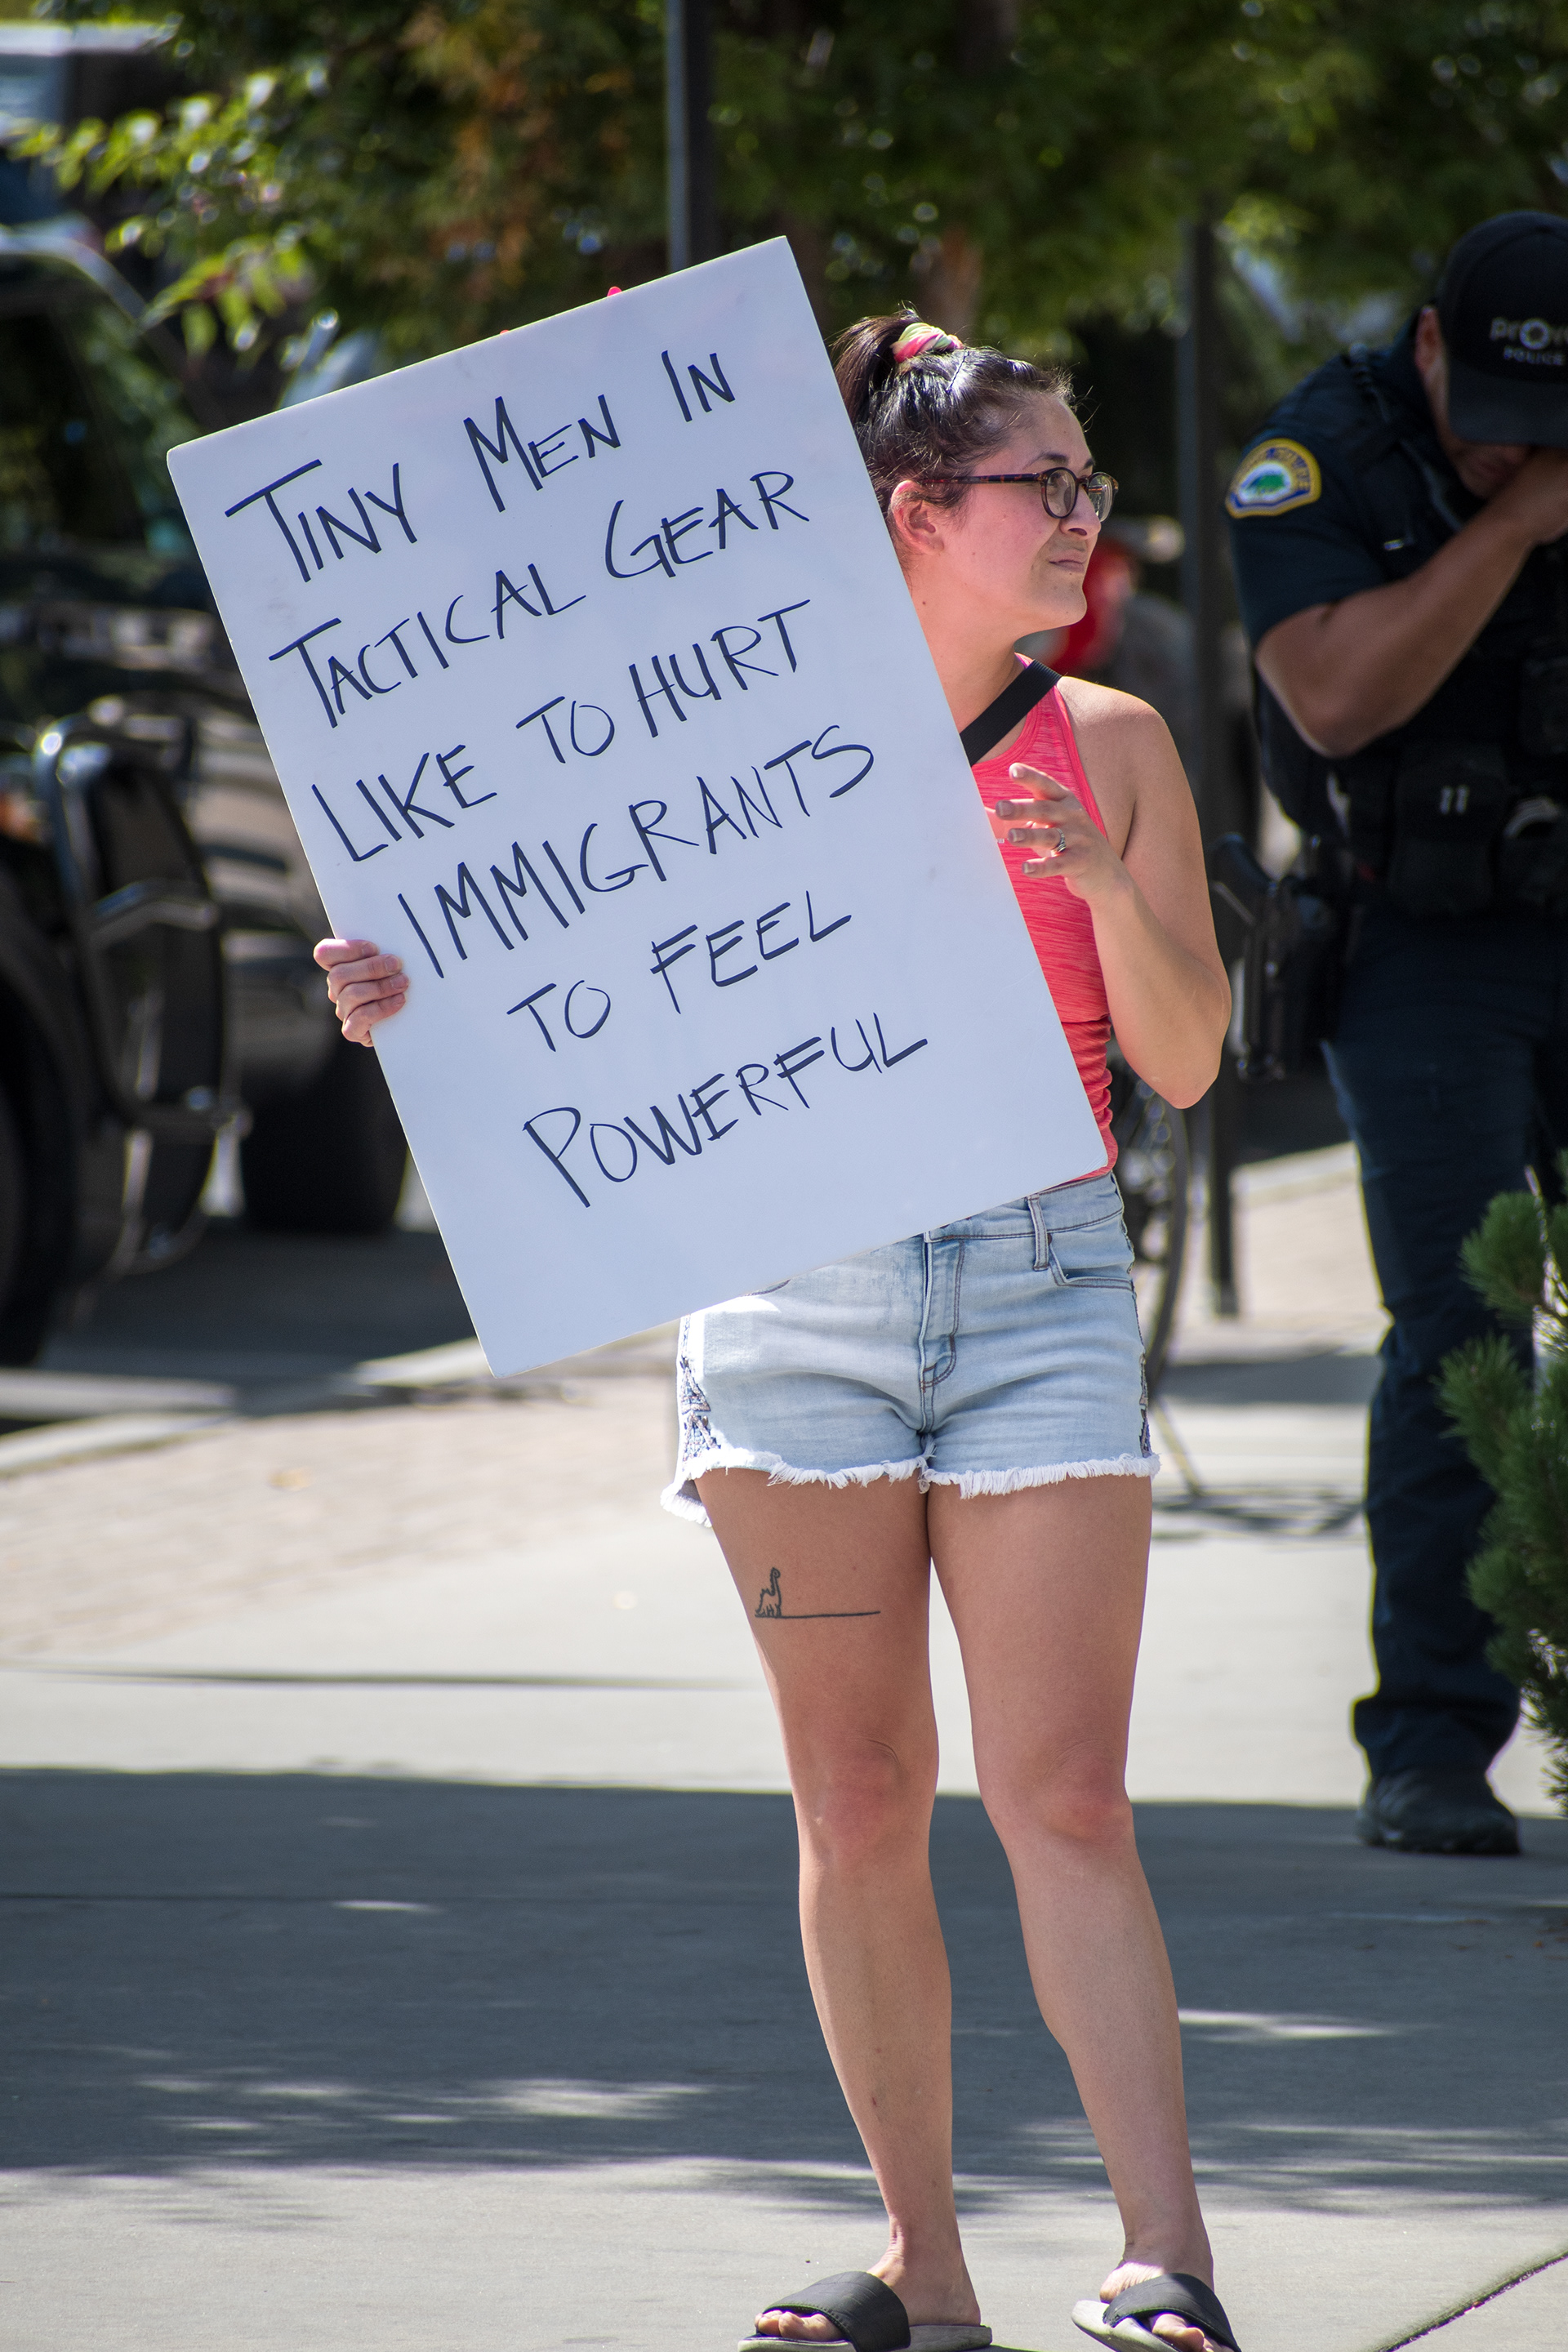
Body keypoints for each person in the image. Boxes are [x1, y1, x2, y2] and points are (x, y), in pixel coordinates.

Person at [319, 313, 1235, 2352]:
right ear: (917, 515)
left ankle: (1165, 2253)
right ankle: (927, 2262)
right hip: (791, 1289)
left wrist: (1104, 881)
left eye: (1093, 481)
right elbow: (565, 941)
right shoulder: (718, 746)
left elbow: (1184, 1065)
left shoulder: (1112, 743)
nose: (1090, 518)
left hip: (1037, 1277)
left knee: (1065, 1793)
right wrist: (407, 998)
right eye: (1051, 486)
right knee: (857, 1799)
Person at [1227, 211, 1568, 1860]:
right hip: (1422, 939)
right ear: (1432, 347)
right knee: (1460, 1333)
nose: (1514, 454)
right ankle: (1434, 1741)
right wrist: (1512, 536)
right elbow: (1335, 699)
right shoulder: (1324, 454)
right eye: (1495, 419)